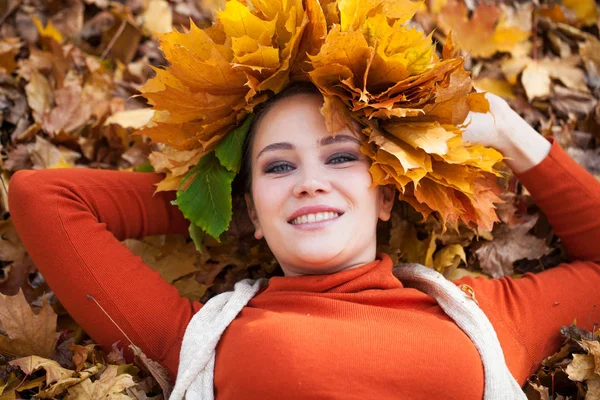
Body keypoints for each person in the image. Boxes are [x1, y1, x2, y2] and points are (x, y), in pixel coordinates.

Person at [8, 84, 600, 399]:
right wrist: (220, 204)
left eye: (341, 158)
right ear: (252, 212)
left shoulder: (481, 320)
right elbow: (44, 198)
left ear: (386, 194)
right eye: (279, 167)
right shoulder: (197, 336)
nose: (311, 180)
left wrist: (510, 132)